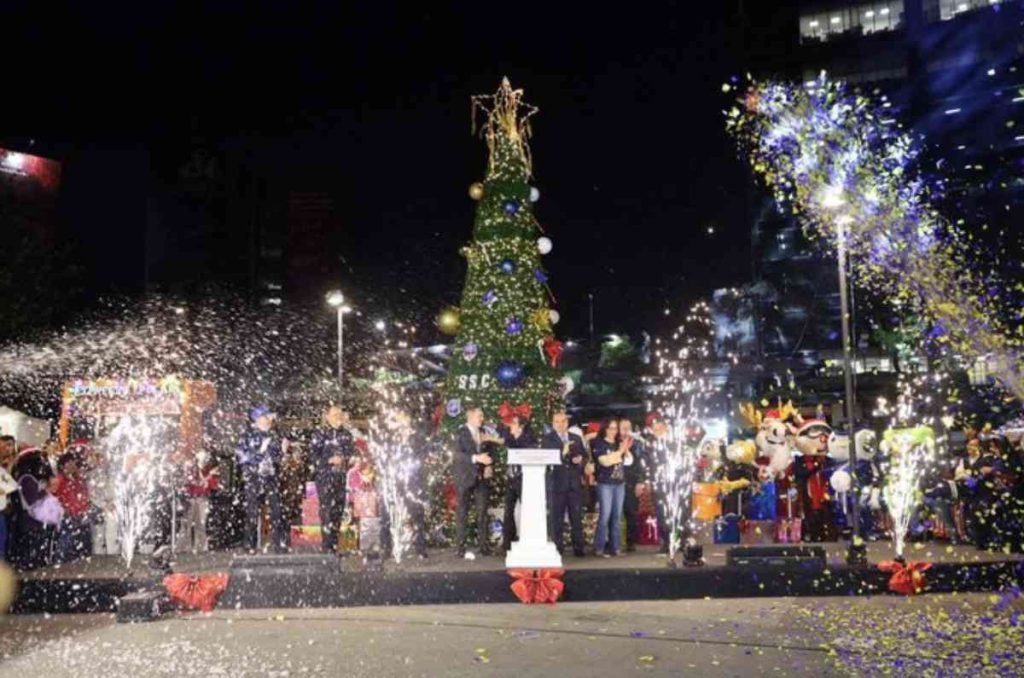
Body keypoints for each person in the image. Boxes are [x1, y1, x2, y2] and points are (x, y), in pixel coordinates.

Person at [235, 405, 289, 553]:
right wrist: (260, 454)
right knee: (252, 512)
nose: (270, 419)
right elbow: (242, 457)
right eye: (267, 416)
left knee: (276, 510)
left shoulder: (276, 436)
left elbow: (279, 459)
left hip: (271, 478)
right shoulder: (247, 436)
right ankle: (249, 545)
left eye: (270, 417)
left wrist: (284, 452)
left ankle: (278, 543)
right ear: (258, 419)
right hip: (253, 478)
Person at [452, 407, 501, 559]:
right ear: (470, 416)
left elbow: (492, 452)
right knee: (462, 513)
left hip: (481, 479)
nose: (482, 418)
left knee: (482, 513)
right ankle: (460, 548)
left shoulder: (485, 432)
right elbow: (456, 455)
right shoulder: (460, 432)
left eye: (482, 416)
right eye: (480, 416)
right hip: (465, 478)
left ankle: (483, 546)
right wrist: (476, 458)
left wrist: (489, 466)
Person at [308, 405, 357, 554]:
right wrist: (328, 460)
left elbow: (351, 454)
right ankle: (327, 546)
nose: (338, 417)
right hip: (325, 477)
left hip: (340, 477)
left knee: (338, 511)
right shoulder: (320, 434)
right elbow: (312, 457)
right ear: (327, 417)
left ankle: (334, 544)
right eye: (335, 414)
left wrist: (349, 459)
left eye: (340, 414)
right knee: (327, 511)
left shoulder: (347, 435)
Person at [542, 411, 588, 557]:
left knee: (576, 517)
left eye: (563, 421)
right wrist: (563, 452)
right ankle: (557, 549)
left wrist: (580, 460)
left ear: (567, 423)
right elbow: (548, 459)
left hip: (574, 484)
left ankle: (579, 548)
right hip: (557, 484)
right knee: (557, 519)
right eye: (557, 422)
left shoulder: (576, 438)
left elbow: (585, 456)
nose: (560, 424)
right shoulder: (547, 439)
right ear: (553, 424)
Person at [592, 418, 633, 557]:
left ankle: (616, 548)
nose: (613, 431)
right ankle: (599, 547)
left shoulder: (618, 443)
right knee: (605, 516)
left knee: (617, 516)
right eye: (610, 428)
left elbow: (628, 461)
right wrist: (620, 452)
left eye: (615, 428)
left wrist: (625, 450)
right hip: (605, 484)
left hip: (619, 483)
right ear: (604, 429)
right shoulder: (598, 443)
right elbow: (604, 462)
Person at [499, 414, 536, 553]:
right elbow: (501, 436)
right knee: (508, 510)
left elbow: (521, 450)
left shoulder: (527, 440)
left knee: (527, 510)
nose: (511, 426)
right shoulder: (510, 438)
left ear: (521, 427)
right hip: (511, 478)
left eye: (514, 423)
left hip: (523, 479)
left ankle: (528, 540)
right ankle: (508, 543)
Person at [52, 451, 93, 562]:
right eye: (69, 463)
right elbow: (52, 497)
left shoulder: (79, 479)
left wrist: (86, 508)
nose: (72, 466)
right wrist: (63, 510)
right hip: (68, 515)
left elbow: (85, 495)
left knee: (81, 542)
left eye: (74, 463)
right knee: (66, 541)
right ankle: (60, 564)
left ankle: (77, 564)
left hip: (82, 514)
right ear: (62, 465)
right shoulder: (59, 479)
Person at [181, 452, 220, 553]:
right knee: (187, 523)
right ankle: (185, 547)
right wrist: (205, 479)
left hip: (202, 498)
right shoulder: (192, 469)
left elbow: (214, 485)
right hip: (191, 498)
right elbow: (190, 483)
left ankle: (201, 547)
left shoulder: (209, 470)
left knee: (201, 523)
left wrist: (209, 478)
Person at [618, 418, 646, 552]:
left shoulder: (638, 444)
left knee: (631, 513)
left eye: (628, 427)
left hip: (632, 482)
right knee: (614, 513)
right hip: (615, 482)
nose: (625, 431)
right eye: (623, 428)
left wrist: (640, 482)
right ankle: (614, 541)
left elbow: (642, 464)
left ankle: (631, 542)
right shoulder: (614, 442)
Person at [0, 437, 19, 560]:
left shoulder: (3, 468)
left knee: (4, 539)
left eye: (10, 445)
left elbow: (11, 485)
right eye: (5, 446)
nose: (8, 449)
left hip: (4, 509)